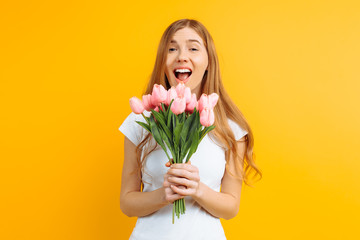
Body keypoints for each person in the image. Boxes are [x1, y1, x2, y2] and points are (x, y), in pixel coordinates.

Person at [118, 19, 262, 240]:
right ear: (162, 62)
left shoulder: (230, 128)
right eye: (172, 49)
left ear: (208, 63)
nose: (182, 56)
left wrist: (197, 189)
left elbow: (231, 207)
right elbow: (127, 203)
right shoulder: (141, 120)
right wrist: (163, 195)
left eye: (193, 48)